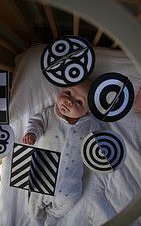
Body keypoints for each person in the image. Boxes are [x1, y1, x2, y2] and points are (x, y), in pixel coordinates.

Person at [22, 78, 100, 225]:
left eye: (79, 102)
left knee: (72, 198)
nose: (69, 101)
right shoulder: (49, 113)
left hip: (70, 180)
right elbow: (36, 122)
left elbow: (96, 142)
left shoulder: (90, 124)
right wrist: (32, 134)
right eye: (68, 93)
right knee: (33, 198)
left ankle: (53, 215)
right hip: (43, 173)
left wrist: (99, 151)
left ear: (88, 110)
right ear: (61, 90)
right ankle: (35, 218)